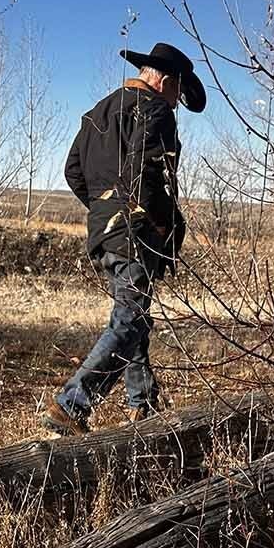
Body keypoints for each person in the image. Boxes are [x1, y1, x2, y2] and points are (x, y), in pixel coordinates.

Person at [42, 42, 206, 436]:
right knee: (130, 320)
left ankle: (143, 405)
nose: (177, 103)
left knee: (132, 316)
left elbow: (73, 172)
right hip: (136, 232)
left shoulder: (98, 110)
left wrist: (104, 210)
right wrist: (161, 223)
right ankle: (72, 403)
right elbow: (145, 176)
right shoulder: (155, 111)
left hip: (106, 232)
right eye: (177, 94)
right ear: (164, 81)